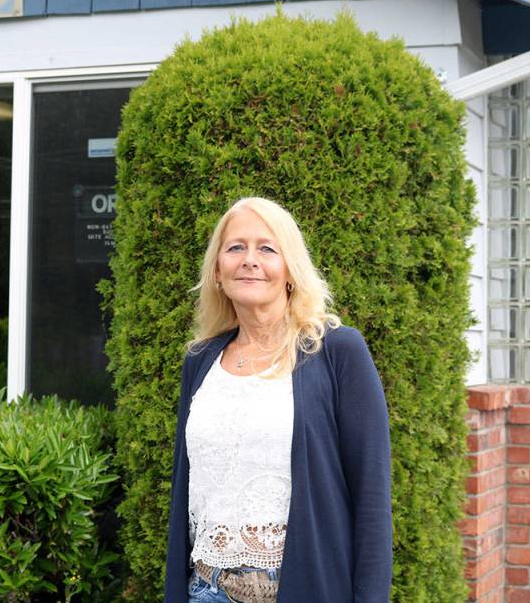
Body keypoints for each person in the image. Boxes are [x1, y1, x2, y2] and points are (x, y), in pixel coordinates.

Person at [164, 197, 393, 602]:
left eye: (266, 248)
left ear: (290, 269)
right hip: (206, 588)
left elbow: (372, 501)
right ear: (217, 270)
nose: (249, 260)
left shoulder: (338, 352)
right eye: (235, 248)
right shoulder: (200, 361)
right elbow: (184, 492)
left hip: (298, 588)